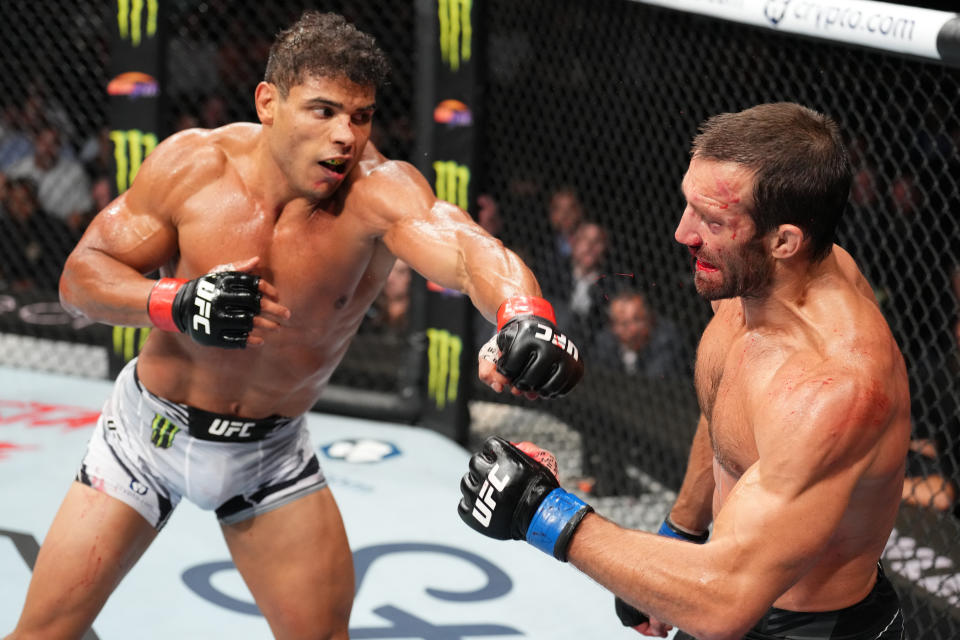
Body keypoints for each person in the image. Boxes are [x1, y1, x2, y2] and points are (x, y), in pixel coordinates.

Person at [8, 12, 583, 640]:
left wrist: (523, 313)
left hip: (267, 456)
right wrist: (176, 302)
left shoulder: (378, 193)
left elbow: (471, 251)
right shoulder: (194, 166)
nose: (346, 137)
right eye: (324, 111)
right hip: (146, 440)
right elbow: (81, 278)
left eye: (360, 117)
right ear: (268, 103)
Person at [458, 103, 911, 639]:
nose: (682, 233)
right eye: (688, 207)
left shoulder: (832, 390)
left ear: (784, 240)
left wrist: (543, 513)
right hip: (730, 578)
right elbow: (726, 415)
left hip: (807, 625)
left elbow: (723, 604)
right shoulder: (753, 280)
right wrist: (682, 530)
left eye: (712, 221)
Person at [592, 289, 687, 379]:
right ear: (613, 326)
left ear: (650, 319)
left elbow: (654, 380)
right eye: (623, 323)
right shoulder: (605, 341)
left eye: (637, 320)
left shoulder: (666, 340)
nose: (632, 329)